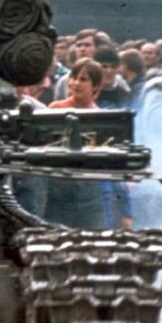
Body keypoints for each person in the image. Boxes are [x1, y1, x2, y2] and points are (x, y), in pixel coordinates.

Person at [46, 57, 132, 230]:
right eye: (74, 77)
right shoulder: (54, 110)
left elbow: (115, 170)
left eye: (83, 79)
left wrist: (126, 213)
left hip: (93, 198)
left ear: (96, 87)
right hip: (58, 195)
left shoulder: (102, 119)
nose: (76, 83)